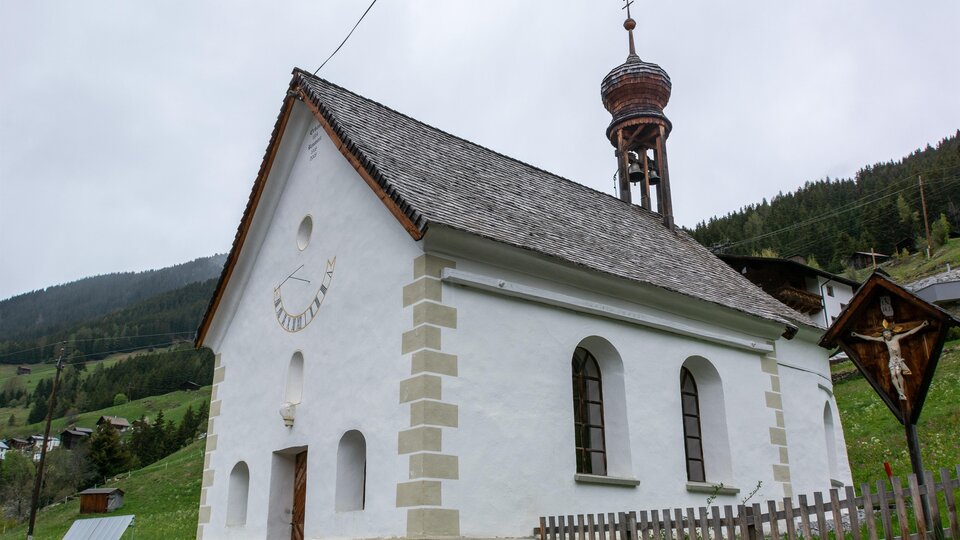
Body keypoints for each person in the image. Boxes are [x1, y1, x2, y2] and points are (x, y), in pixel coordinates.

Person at [851, 320, 929, 400]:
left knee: (898, 374)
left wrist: (922, 325)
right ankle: (900, 393)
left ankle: (902, 392)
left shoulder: (896, 337)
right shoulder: (884, 340)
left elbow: (910, 332)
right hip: (892, 361)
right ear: (884, 336)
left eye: (888, 333)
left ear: (891, 333)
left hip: (898, 360)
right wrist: (857, 335)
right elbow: (869, 338)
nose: (887, 335)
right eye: (885, 334)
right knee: (893, 376)